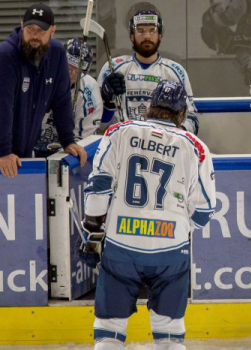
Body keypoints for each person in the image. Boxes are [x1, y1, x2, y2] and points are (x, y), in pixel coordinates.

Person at [79, 79, 216, 350]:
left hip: (121, 247)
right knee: (169, 334)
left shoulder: (119, 131)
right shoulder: (196, 147)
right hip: (170, 251)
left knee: (108, 330)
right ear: (182, 113)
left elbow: (99, 186)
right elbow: (202, 213)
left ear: (150, 107)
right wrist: (175, 226)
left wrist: (92, 233)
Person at [0, 3, 87, 176]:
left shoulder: (57, 54)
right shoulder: (4, 56)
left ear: (53, 31)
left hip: (17, 145)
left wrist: (68, 141)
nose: (34, 36)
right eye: (30, 29)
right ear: (21, 26)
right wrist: (3, 151)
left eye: (41, 31)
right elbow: (0, 107)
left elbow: (61, 100)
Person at [98, 10, 198, 133]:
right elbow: (98, 125)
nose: (147, 36)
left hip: (160, 146)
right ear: (131, 36)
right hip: (122, 145)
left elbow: (191, 118)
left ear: (160, 36)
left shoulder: (175, 71)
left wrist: (174, 134)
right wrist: (107, 103)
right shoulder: (112, 68)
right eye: (140, 30)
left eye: (152, 30)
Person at [35, 38, 103, 156]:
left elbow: (84, 139)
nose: (71, 73)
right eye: (68, 66)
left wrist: (66, 148)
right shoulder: (40, 76)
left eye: (77, 69)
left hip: (66, 154)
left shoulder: (89, 90)